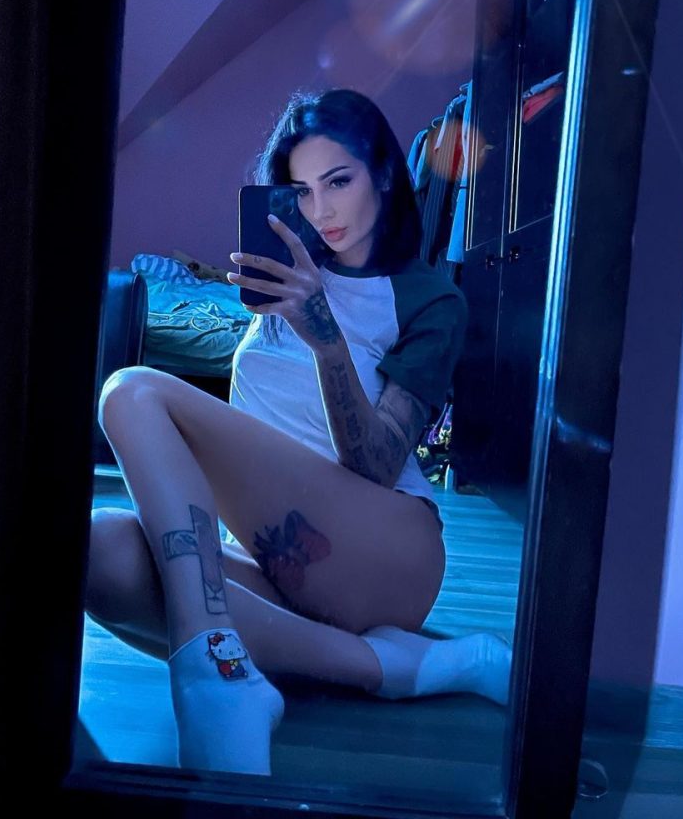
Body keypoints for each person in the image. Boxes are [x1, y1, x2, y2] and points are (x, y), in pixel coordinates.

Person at [87, 89, 512, 777]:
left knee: (131, 392)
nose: (321, 211)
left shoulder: (429, 298)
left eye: (338, 182)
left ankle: (214, 670)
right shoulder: (284, 278)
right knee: (99, 554)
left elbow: (377, 463)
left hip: (384, 550)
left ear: (382, 174)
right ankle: (396, 665)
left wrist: (326, 336)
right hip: (277, 561)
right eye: (300, 191)